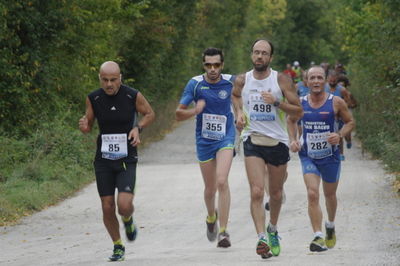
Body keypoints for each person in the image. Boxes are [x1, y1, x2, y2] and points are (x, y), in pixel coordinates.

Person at [232, 39, 303, 259]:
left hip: (278, 141)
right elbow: (235, 96)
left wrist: (277, 102)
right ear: (251, 55)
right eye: (256, 52)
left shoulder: (280, 79)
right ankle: (261, 237)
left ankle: (272, 229)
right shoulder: (243, 80)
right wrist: (239, 114)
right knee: (256, 191)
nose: (259, 56)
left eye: (264, 53)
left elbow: (298, 111)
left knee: (276, 193)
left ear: (270, 58)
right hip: (252, 139)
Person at [78, 61, 155, 261]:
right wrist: (84, 126)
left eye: (113, 80)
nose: (109, 84)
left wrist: (138, 128)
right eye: (105, 80)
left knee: (124, 204)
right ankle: (118, 245)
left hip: (126, 157)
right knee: (107, 205)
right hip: (103, 158)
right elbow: (89, 124)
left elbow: (149, 113)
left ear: (120, 78)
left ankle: (128, 219)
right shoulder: (93, 98)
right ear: (100, 79)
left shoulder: (132, 95)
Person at [287, 66, 355, 252]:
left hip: (330, 157)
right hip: (308, 155)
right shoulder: (299, 103)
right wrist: (293, 140)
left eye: (319, 78)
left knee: (330, 195)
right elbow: (290, 120)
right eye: (312, 78)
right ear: (306, 82)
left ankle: (330, 225)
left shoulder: (336, 102)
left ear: (325, 81)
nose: (316, 81)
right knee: (312, 193)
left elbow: (350, 122)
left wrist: (339, 135)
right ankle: (318, 236)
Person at [175, 47, 235, 248]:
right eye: (208, 65)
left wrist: (241, 113)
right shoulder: (195, 84)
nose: (212, 69)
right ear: (204, 65)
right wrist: (195, 110)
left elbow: (242, 98)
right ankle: (211, 218)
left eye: (216, 65)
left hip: (225, 137)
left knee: (221, 181)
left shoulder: (230, 81)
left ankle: (224, 232)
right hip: (204, 141)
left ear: (222, 65)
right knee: (210, 189)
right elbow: (177, 113)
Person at [324, 70, 352, 160]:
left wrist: (342, 110)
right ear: (327, 79)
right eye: (330, 81)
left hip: (340, 115)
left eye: (334, 81)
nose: (332, 82)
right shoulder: (324, 88)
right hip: (328, 115)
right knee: (332, 133)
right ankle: (334, 153)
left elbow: (348, 101)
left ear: (337, 80)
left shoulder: (342, 90)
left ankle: (345, 146)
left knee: (342, 133)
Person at [337, 74, 357, 149]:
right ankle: (339, 148)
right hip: (338, 113)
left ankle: (348, 141)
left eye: (343, 85)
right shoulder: (335, 92)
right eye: (339, 84)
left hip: (347, 112)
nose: (341, 86)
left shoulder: (349, 93)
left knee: (347, 131)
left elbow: (355, 103)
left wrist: (350, 104)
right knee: (338, 129)